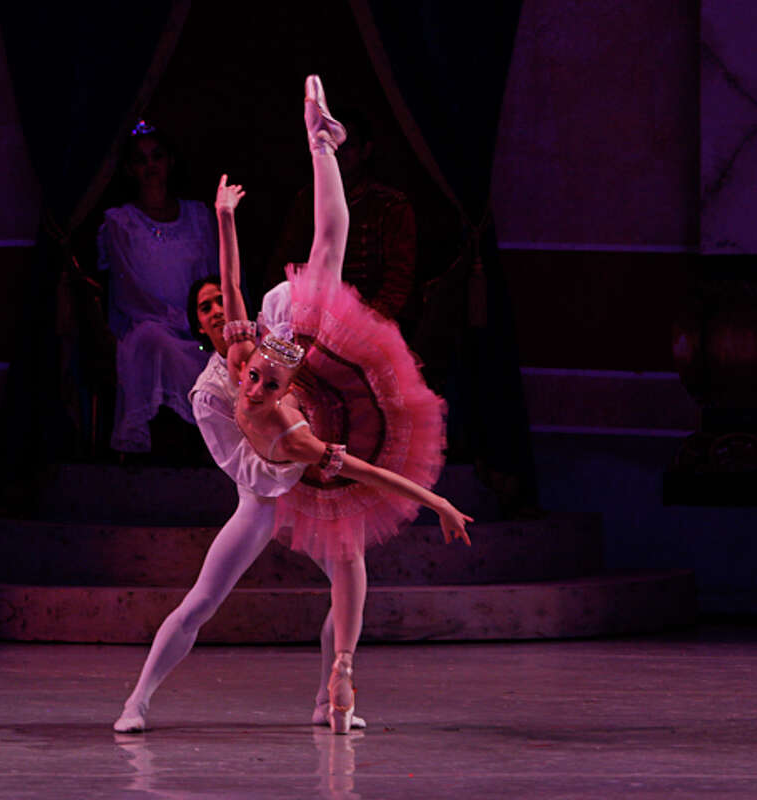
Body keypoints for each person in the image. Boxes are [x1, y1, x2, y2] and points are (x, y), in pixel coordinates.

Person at [218, 76, 472, 733]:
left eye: (256, 378)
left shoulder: (248, 369)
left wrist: (224, 220)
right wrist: (436, 500)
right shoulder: (296, 438)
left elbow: (232, 291)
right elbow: (374, 474)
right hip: (339, 417)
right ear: (281, 395)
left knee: (323, 258)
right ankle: (346, 669)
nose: (256, 378)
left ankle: (321, 142)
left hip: (311, 371)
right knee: (351, 555)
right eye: (266, 382)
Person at [113, 272, 367, 734]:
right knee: (202, 601)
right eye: (204, 307)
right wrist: (302, 454)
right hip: (261, 500)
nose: (215, 310)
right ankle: (137, 701)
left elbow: (298, 304)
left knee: (349, 580)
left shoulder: (273, 341)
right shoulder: (209, 392)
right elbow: (248, 471)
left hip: (308, 492)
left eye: (219, 302)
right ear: (200, 325)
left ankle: (327, 699)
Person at [97, 122, 216, 453]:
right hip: (147, 322)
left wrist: (200, 319)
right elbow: (127, 288)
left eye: (157, 157)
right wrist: (170, 317)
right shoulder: (121, 222)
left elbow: (212, 274)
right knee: (157, 342)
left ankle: (216, 442)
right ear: (129, 169)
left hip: (196, 324)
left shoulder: (196, 215)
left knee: (220, 353)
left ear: (170, 162)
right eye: (141, 159)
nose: (150, 166)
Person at [267, 108, 416, 321]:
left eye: (349, 146)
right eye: (334, 144)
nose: (339, 152)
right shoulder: (307, 200)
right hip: (313, 315)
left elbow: (398, 279)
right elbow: (285, 261)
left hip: (369, 319)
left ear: (366, 150)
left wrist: (368, 323)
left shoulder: (390, 205)